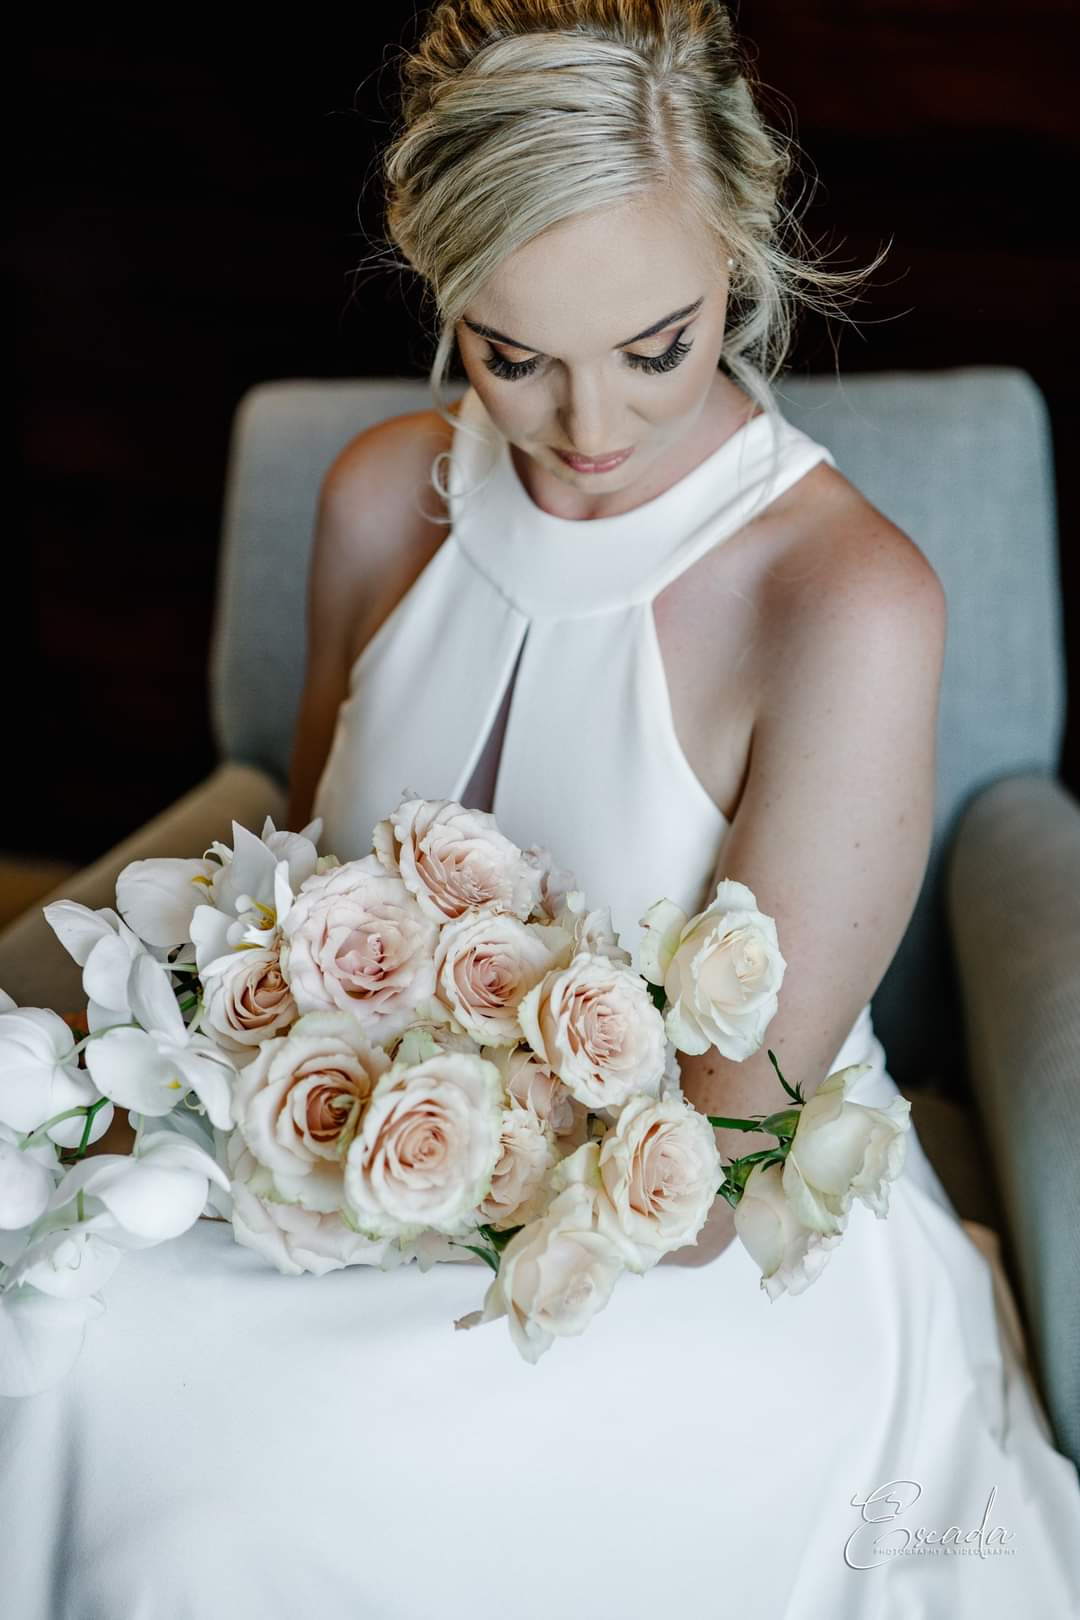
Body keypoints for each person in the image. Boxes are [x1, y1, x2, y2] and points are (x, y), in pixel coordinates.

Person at [3, 4, 1079, 1617]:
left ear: (744, 251)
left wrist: (405, 1169)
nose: (588, 434)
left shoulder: (847, 601)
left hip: (680, 1258)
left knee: (230, 1465)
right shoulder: (381, 496)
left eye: (660, 344)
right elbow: (300, 906)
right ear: (442, 289)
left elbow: (726, 1160)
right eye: (515, 357)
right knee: (59, 1329)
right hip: (330, 1179)